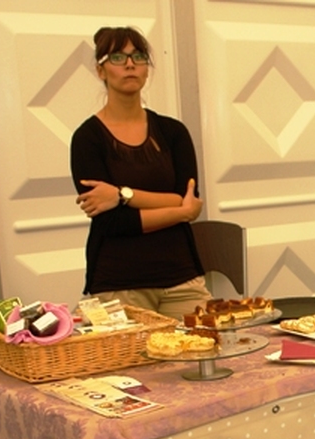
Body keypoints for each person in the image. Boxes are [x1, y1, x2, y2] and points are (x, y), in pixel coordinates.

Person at [70, 26, 210, 319]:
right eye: (117, 57)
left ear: (147, 68)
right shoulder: (87, 138)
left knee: (206, 345)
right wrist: (180, 211)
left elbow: (187, 198)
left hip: (182, 279)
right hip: (118, 285)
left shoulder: (173, 132)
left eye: (138, 56)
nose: (130, 64)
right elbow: (112, 223)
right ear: (101, 70)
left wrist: (122, 195)